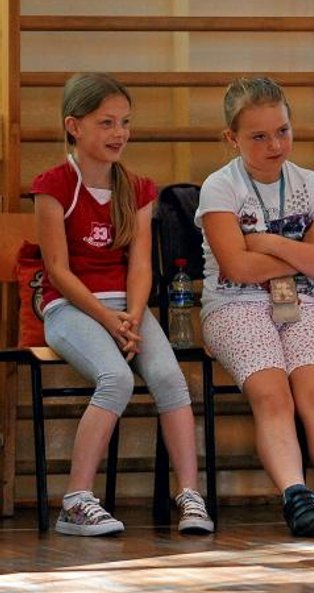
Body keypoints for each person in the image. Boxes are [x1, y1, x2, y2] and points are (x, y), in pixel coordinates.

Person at [196, 77, 314, 537]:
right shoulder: (219, 188)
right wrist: (303, 249)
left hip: (302, 302)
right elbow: (236, 267)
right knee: (274, 397)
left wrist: (270, 242)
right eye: (258, 136)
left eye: (282, 131)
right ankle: (297, 495)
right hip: (233, 307)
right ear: (232, 138)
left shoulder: (310, 184)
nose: (274, 144)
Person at [33, 72, 214, 537]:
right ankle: (75, 501)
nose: (119, 133)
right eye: (106, 123)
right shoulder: (53, 186)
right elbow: (57, 271)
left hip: (126, 310)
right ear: (74, 126)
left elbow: (139, 267)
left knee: (171, 379)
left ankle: (190, 496)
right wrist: (109, 320)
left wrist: (132, 316)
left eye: (125, 123)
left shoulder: (137, 188)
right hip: (70, 309)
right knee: (114, 378)